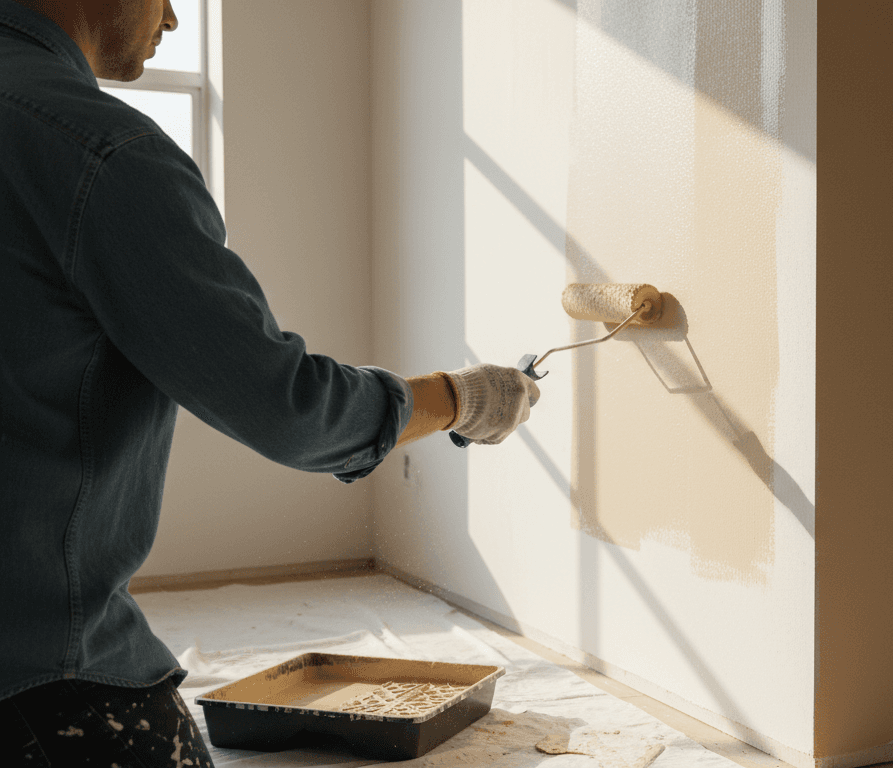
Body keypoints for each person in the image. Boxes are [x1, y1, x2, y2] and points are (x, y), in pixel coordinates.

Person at [0, 0, 540, 764]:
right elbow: (289, 409)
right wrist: (462, 398)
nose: (176, 23)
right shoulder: (99, 150)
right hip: (41, 690)